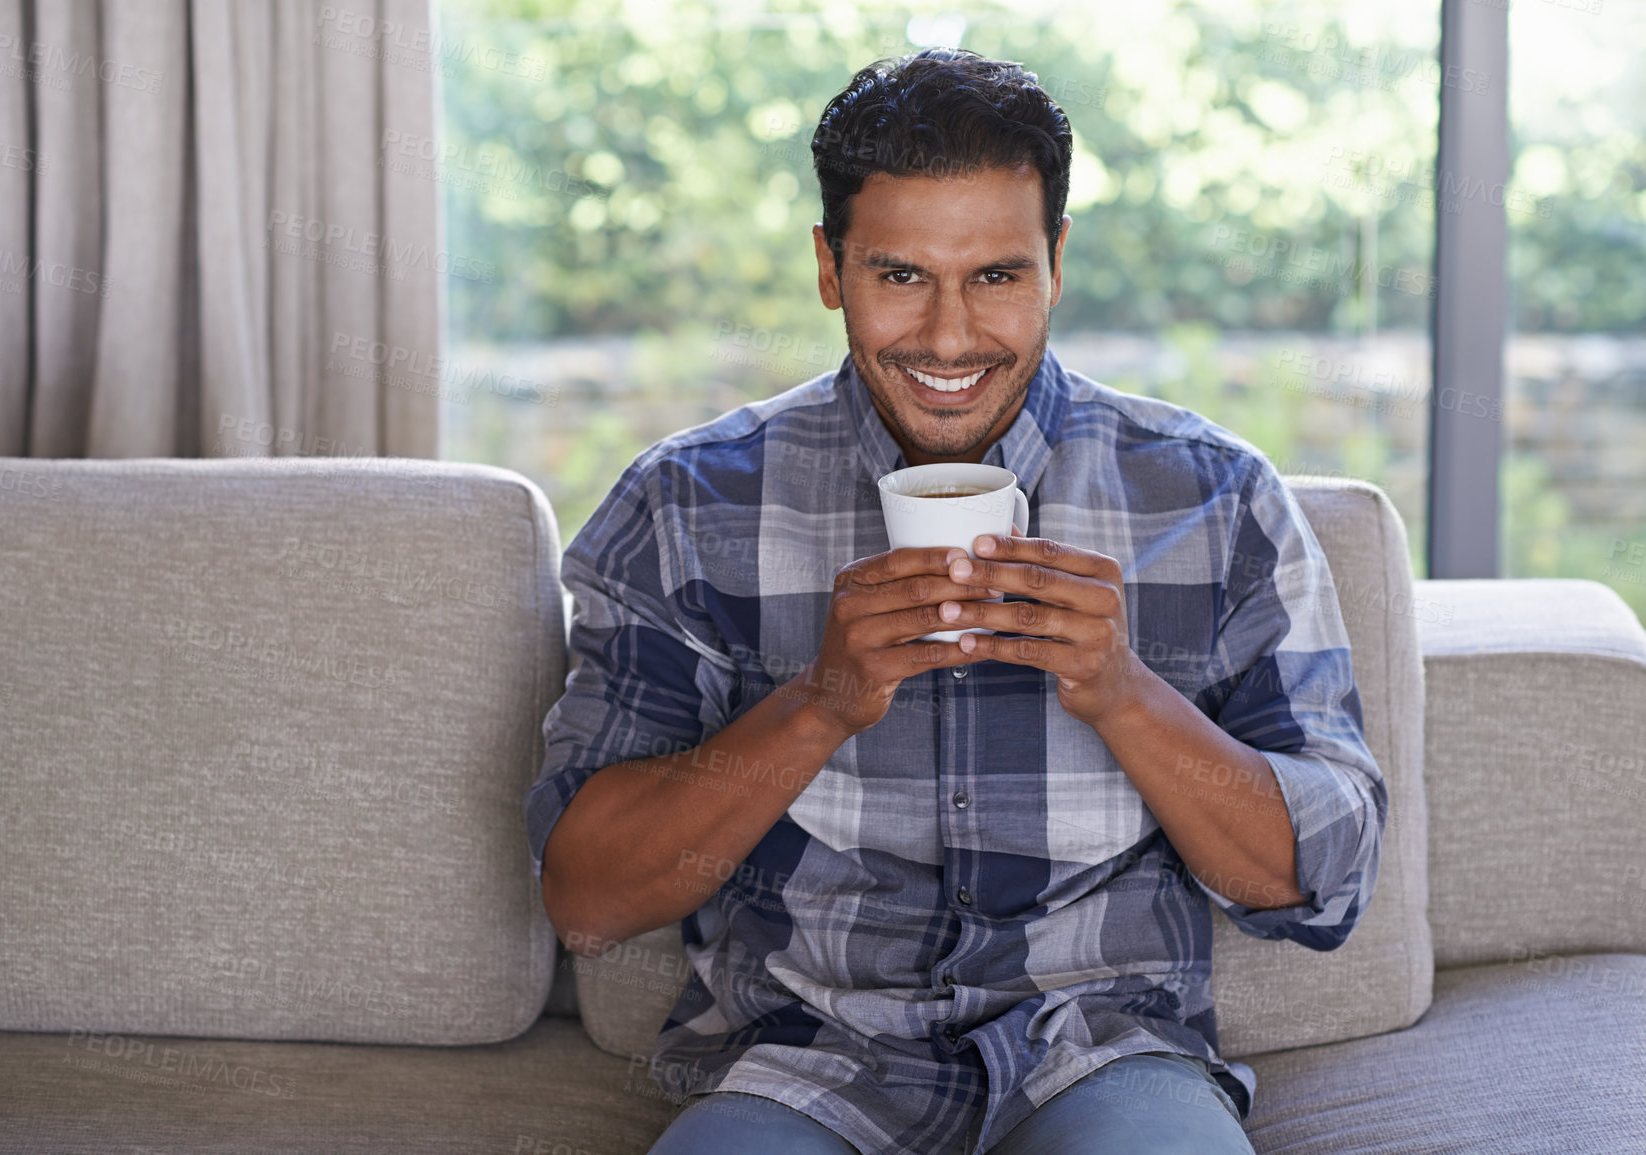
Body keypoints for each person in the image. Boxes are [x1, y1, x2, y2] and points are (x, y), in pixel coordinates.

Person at [525, 47, 1386, 1155]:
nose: (947, 338)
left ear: (1056, 265)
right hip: (803, 1061)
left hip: (1105, 1048)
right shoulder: (687, 503)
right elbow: (586, 902)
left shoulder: (1212, 497)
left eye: (996, 276)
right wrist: (821, 701)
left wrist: (1122, 694)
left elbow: (1321, 888)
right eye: (899, 276)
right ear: (831, 268)